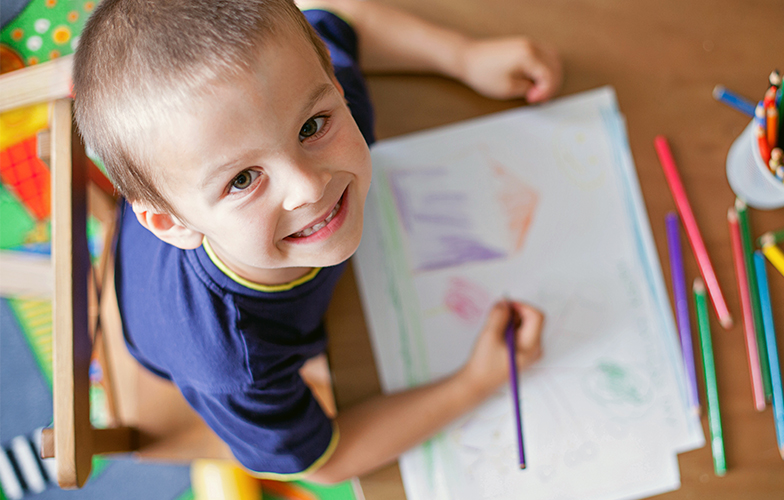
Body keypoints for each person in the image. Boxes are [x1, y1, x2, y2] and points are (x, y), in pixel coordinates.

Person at [72, 0, 559, 484]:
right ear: (173, 222)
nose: (309, 187)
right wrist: (474, 384)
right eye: (242, 180)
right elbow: (323, 463)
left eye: (311, 127)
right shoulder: (233, 363)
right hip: (156, 321)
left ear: (333, 85)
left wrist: (466, 58)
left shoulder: (309, 98)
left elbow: (345, 14)